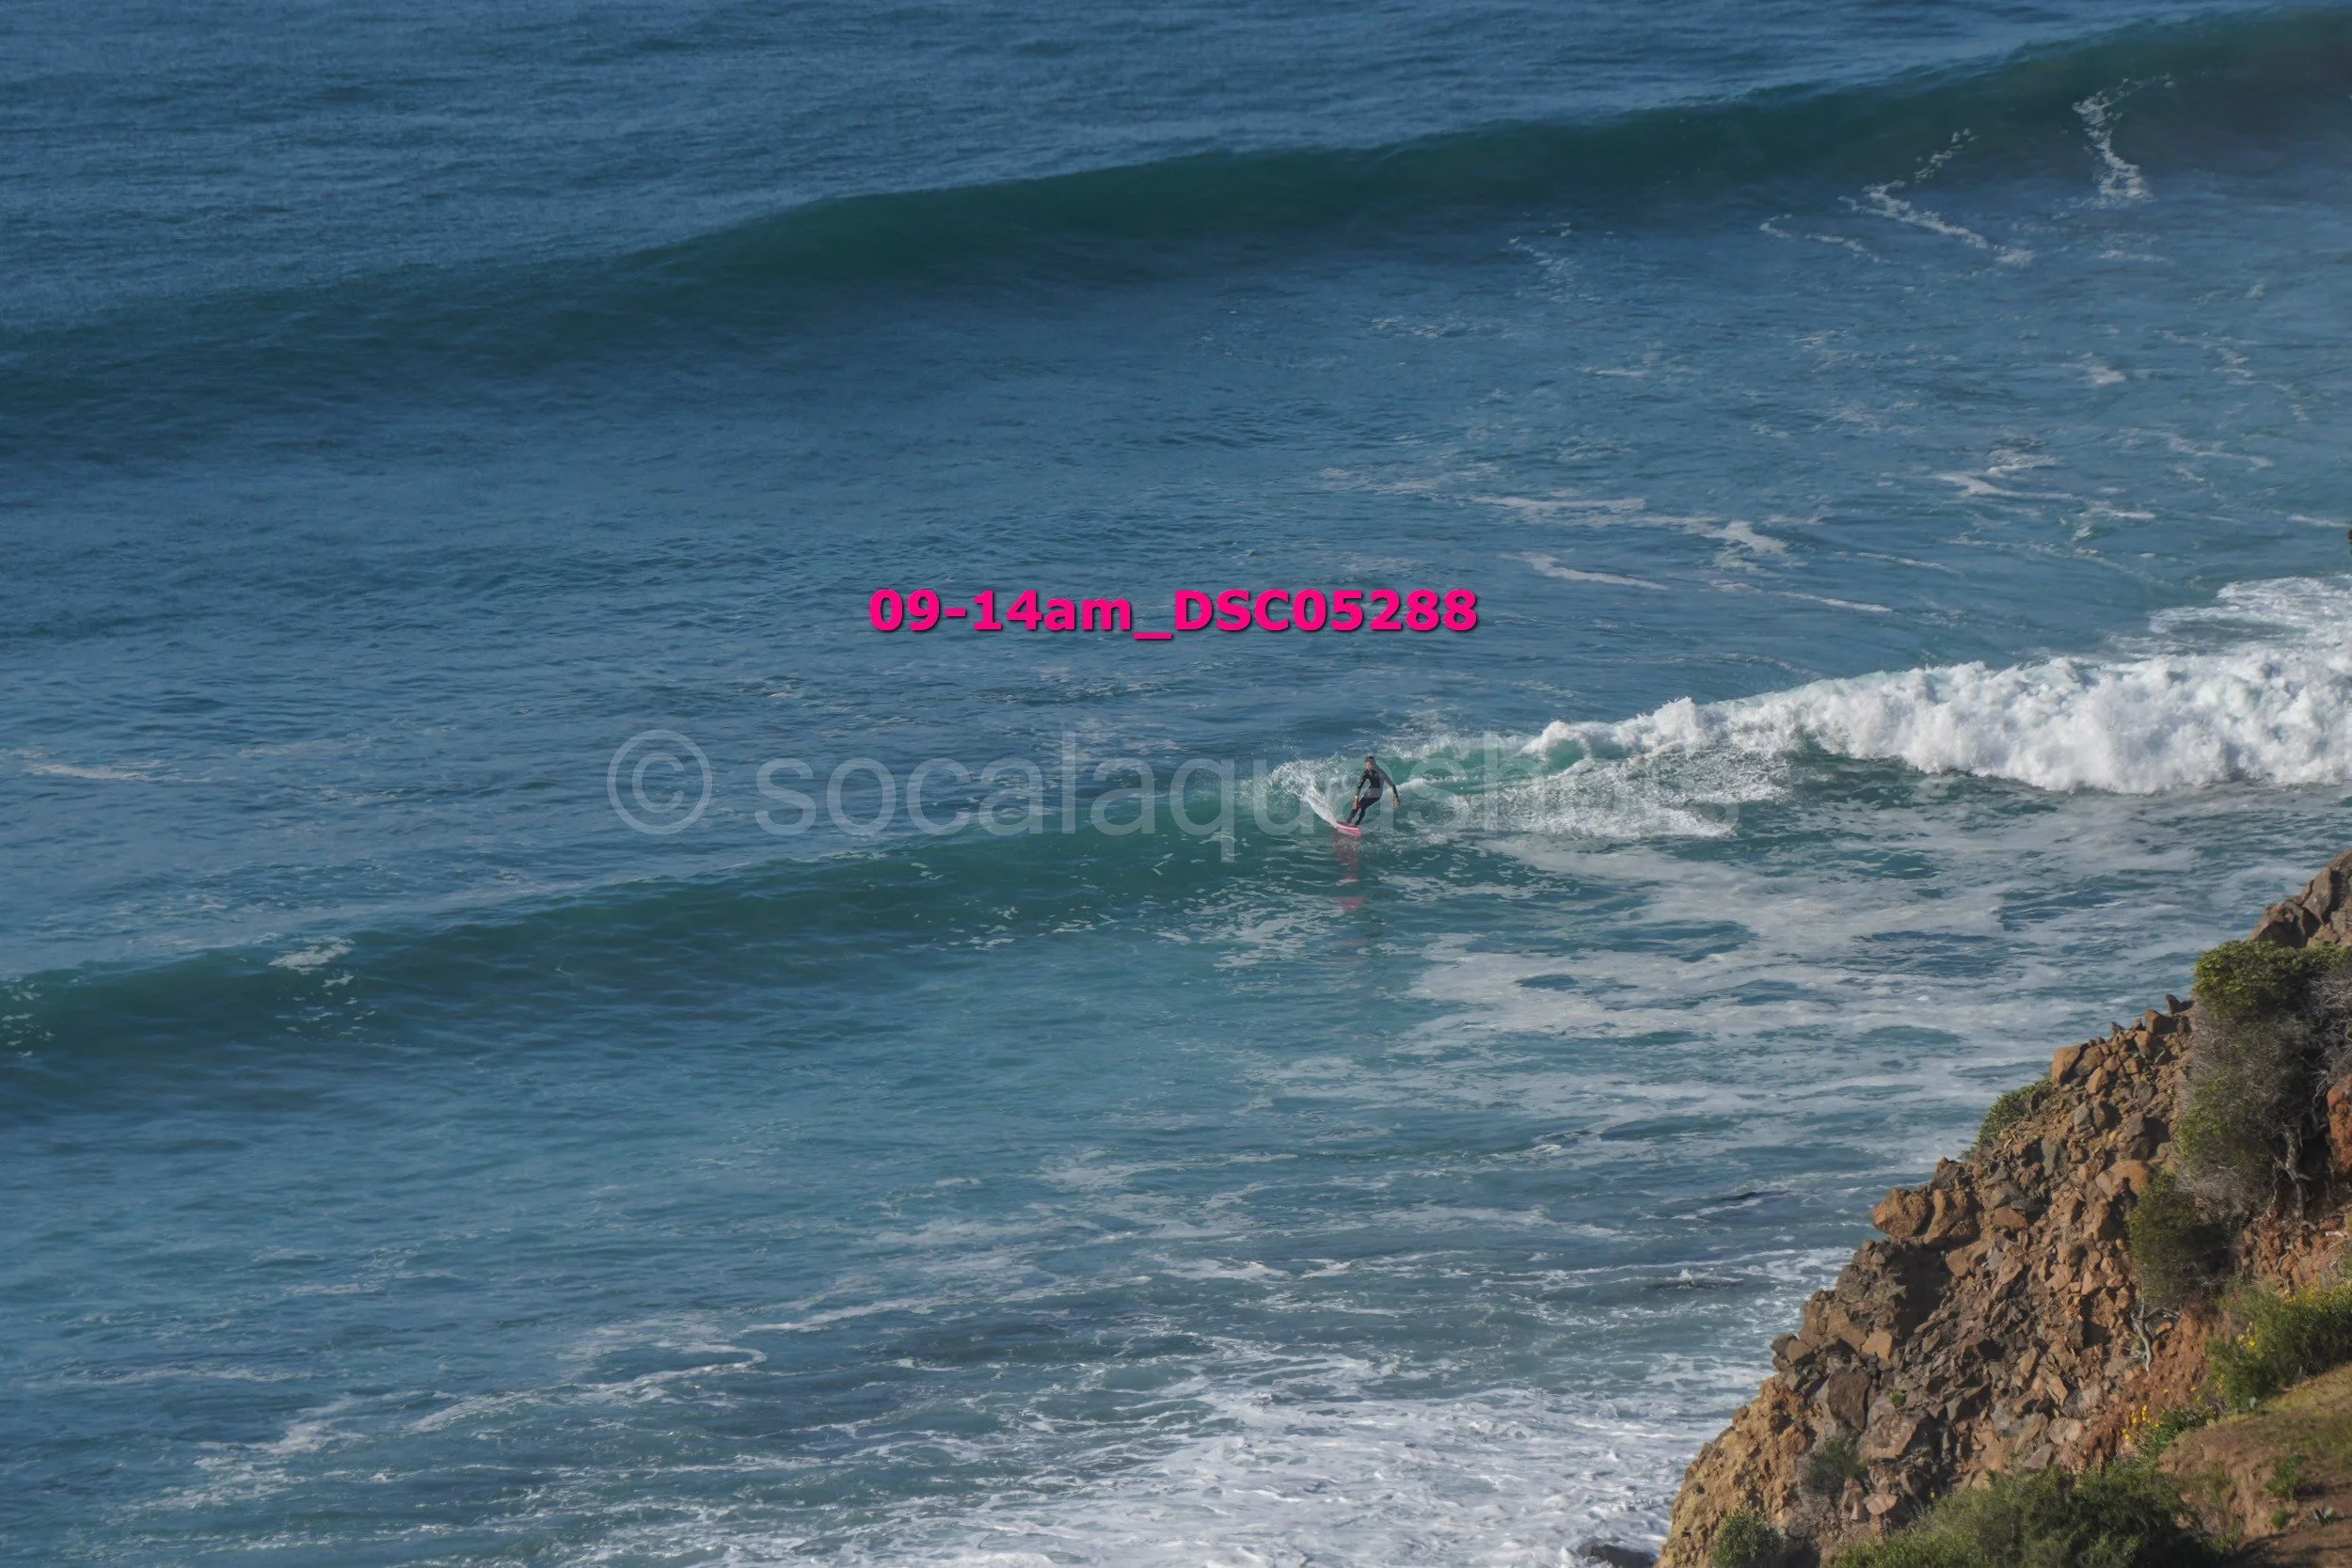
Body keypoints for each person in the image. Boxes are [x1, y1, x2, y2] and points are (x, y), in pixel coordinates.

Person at [1344, 753, 1399, 827]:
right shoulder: (1366, 773)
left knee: (1363, 806)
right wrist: (1355, 800)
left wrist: (1396, 797)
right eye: (1367, 765)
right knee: (1356, 805)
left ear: (1374, 764)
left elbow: (1392, 785)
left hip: (1377, 795)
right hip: (1369, 791)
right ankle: (1348, 821)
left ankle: (1356, 825)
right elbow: (1359, 786)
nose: (1368, 767)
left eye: (1370, 765)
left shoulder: (1381, 773)